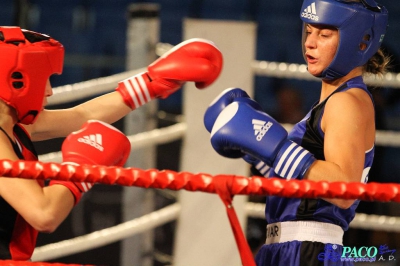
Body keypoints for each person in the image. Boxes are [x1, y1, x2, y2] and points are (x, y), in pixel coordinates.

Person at [0, 26, 223, 260]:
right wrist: (79, 169)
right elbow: (44, 213)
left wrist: (151, 83)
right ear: (17, 80)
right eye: (42, 79)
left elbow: (81, 116)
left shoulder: (14, 125)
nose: (49, 91)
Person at [203, 0, 389, 265]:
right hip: (290, 246)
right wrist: (258, 153)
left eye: (324, 34)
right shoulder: (330, 103)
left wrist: (276, 149)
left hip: (307, 249)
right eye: (309, 31)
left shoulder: (347, 102)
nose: (310, 43)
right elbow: (307, 190)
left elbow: (344, 191)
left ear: (361, 42)